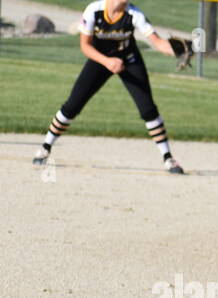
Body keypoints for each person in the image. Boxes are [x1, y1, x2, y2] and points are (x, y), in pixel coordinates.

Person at [33, 0, 185, 173]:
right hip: (100, 59)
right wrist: (107, 61)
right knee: (73, 104)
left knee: (148, 108)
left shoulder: (134, 14)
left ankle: (168, 159)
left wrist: (178, 49)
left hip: (128, 59)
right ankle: (45, 148)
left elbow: (158, 42)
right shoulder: (94, 10)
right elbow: (85, 45)